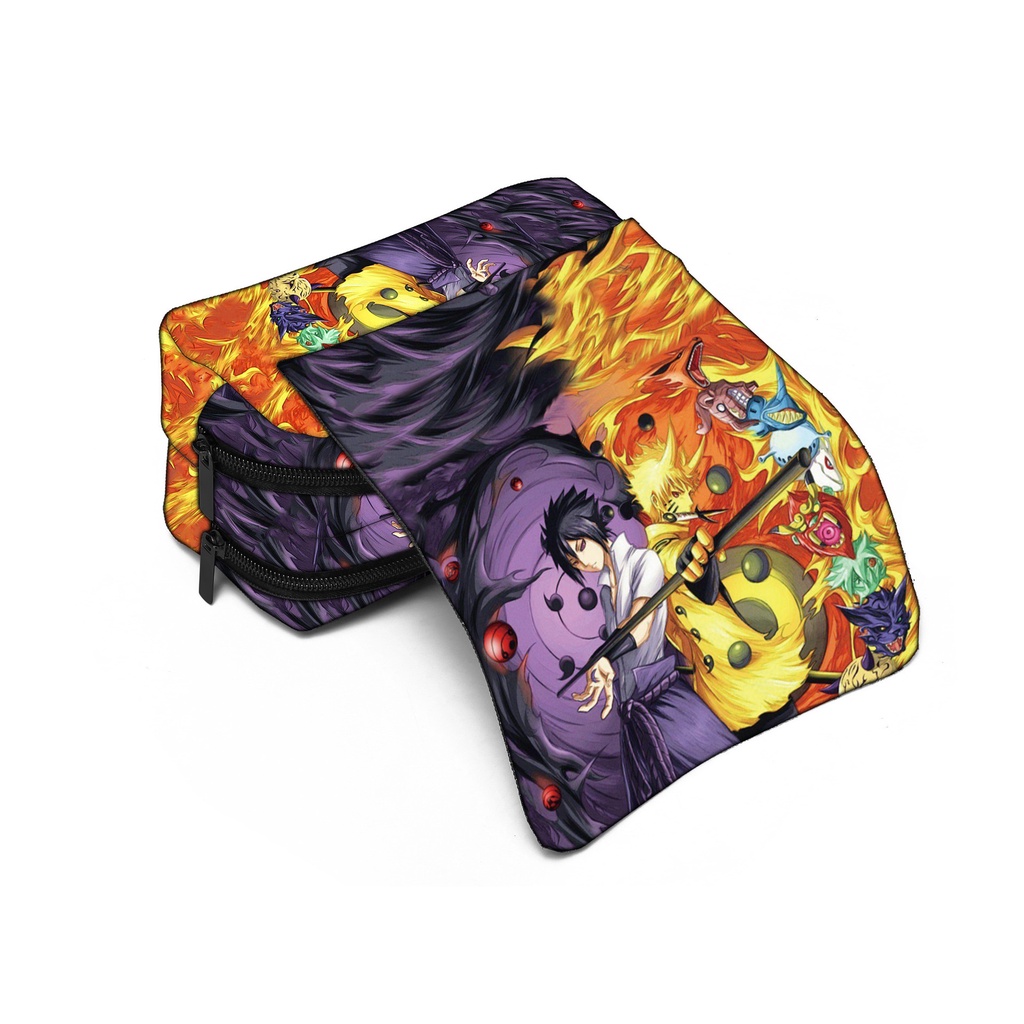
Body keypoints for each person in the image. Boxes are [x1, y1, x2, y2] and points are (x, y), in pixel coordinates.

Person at [541, 488, 736, 808]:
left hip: (666, 703)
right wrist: (608, 670)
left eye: (581, 546)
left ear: (593, 528)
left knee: (723, 779)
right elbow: (621, 642)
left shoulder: (644, 562)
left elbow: (640, 626)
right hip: (633, 718)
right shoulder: (604, 589)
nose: (583, 562)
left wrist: (606, 657)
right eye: (574, 560)